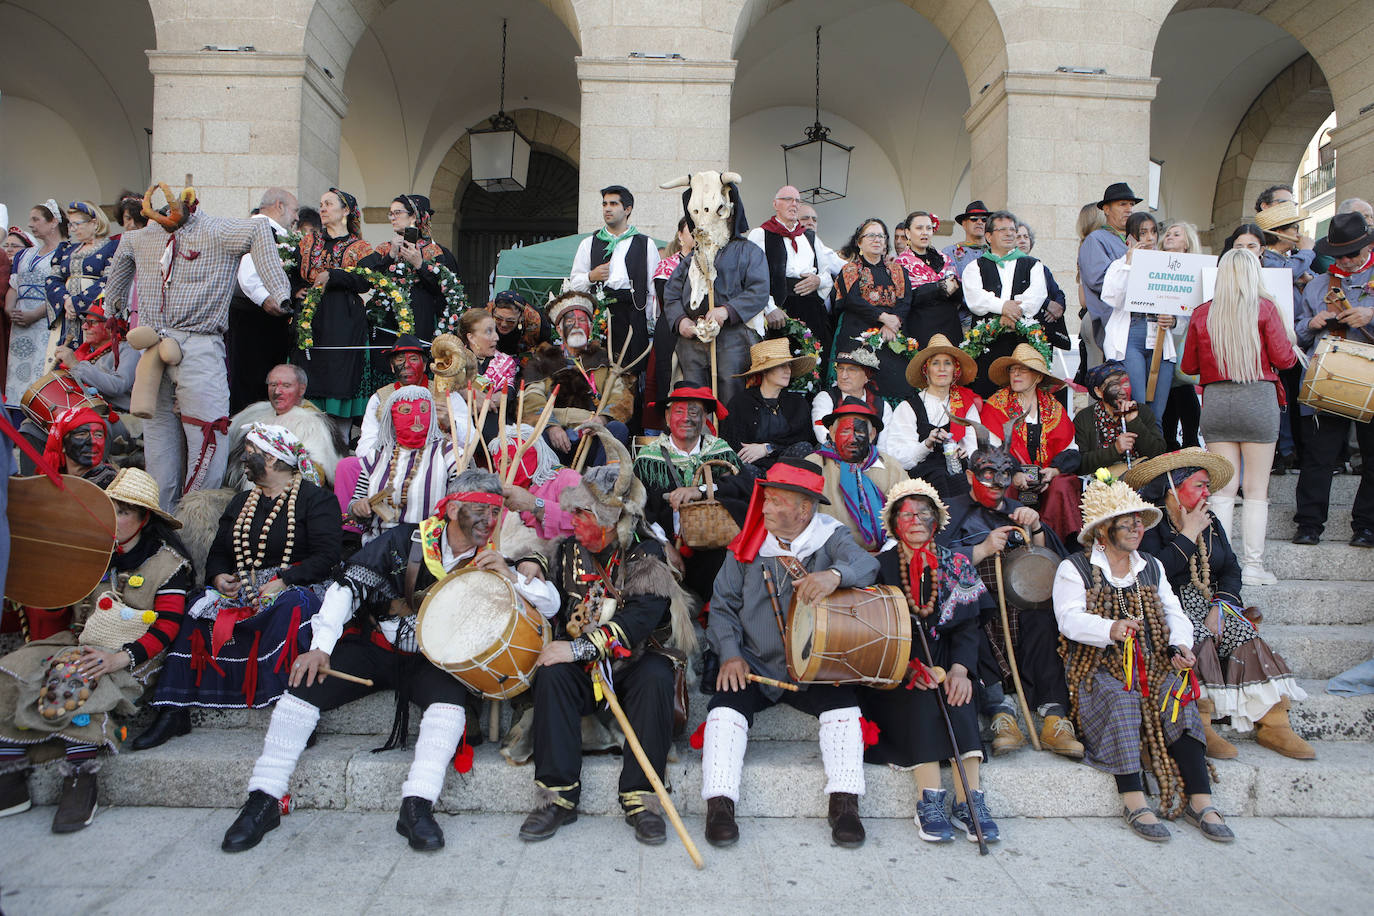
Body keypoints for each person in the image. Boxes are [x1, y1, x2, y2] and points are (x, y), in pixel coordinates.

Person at [222, 469, 556, 852]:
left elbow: (551, 604)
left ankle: (417, 805)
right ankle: (264, 797)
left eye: (495, 511)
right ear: (450, 509)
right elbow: (345, 589)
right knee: (302, 686)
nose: (490, 521)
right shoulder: (403, 539)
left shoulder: (494, 555)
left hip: (434, 662)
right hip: (375, 646)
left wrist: (512, 578)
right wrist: (321, 647)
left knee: (450, 708)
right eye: (480, 510)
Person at [0, 468, 194, 833]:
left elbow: (168, 628)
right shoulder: (92, 551)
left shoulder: (168, 565)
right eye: (110, 509)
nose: (114, 519)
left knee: (77, 678)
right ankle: (9, 779)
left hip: (135, 656)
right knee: (12, 669)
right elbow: (64, 605)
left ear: (144, 517)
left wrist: (118, 659)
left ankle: (80, 779)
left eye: (123, 512)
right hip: (80, 643)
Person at [519, 437, 691, 845]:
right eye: (574, 511)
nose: (574, 520)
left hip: (631, 665)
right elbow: (549, 555)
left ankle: (642, 798)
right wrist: (532, 562)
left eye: (583, 514)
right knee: (553, 675)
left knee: (656, 676)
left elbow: (633, 625)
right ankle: (556, 797)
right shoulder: (572, 546)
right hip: (584, 671)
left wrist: (575, 647)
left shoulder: (648, 557)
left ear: (614, 520)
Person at [701, 456, 878, 848]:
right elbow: (723, 606)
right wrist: (730, 653)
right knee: (724, 710)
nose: (763, 507)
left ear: (804, 510)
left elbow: (866, 565)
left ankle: (845, 805)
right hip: (753, 663)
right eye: (765, 499)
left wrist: (835, 575)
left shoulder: (831, 538)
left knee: (844, 709)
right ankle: (719, 804)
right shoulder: (747, 545)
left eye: (776, 501)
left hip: (814, 666)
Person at [1052, 472, 1235, 843]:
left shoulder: (1151, 564)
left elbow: (1175, 613)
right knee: (1121, 697)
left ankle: (1200, 800)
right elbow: (1069, 619)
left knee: (1179, 699)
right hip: (1097, 665)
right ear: (1104, 531)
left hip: (1152, 659)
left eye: (1139, 521)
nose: (1138, 527)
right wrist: (1110, 629)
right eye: (1128, 522)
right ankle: (1133, 798)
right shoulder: (1075, 567)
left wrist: (1180, 646)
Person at [134, 424, 343, 748]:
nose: (245, 459)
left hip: (296, 584)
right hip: (242, 587)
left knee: (292, 607)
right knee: (193, 609)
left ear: (273, 459)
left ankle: (292, 710)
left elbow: (327, 557)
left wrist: (283, 580)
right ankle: (173, 709)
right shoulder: (241, 502)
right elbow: (219, 552)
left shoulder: (316, 501)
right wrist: (218, 576)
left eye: (252, 453)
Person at [103, 182, 293, 510]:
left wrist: (279, 290)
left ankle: (196, 515)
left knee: (206, 434)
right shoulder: (140, 236)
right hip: (152, 345)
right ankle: (161, 516)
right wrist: (112, 304)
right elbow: (121, 264)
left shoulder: (217, 230)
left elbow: (258, 228)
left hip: (199, 343)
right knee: (158, 434)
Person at [1125, 449, 1313, 759]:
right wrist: (1187, 533)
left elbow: (1232, 570)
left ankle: (1274, 723)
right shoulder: (1148, 521)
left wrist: (1221, 607)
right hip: (1167, 603)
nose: (1207, 492)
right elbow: (1150, 571)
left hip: (1210, 601)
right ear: (1174, 487)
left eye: (1208, 486)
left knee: (1245, 634)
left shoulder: (1209, 520)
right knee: (1195, 636)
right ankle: (1201, 721)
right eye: (1199, 485)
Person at [859, 478, 998, 843]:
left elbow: (968, 628)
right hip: (897, 667)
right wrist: (905, 668)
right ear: (893, 524)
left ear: (936, 520)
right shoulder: (879, 569)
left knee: (959, 695)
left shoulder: (955, 562)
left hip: (948, 659)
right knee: (920, 695)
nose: (916, 520)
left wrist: (959, 670)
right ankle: (930, 799)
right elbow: (871, 631)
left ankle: (970, 800)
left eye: (924, 512)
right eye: (906, 514)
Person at [938, 442, 1083, 758]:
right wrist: (980, 550)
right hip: (976, 605)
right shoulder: (948, 514)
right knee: (970, 620)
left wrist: (1036, 527)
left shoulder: (1016, 510)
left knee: (1045, 617)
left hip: (1021, 606)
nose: (998, 483)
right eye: (988, 474)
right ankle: (999, 710)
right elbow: (934, 561)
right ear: (970, 475)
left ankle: (1054, 714)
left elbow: (1046, 569)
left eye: (1005, 475)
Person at [1181, 249, 1296, 585]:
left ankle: (1216, 564)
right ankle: (1253, 567)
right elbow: (1285, 360)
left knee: (1222, 490)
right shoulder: (1265, 309)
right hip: (1258, 398)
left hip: (1217, 401)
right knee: (1256, 489)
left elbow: (1188, 367)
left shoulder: (1203, 314)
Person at [1292, 213, 1374, 548]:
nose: (1346, 261)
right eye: (1339, 255)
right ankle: (1309, 524)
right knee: (1319, 456)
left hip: (1371, 380)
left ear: (1368, 246)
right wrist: (1312, 324)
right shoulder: (1317, 285)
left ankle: (1366, 526)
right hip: (1330, 379)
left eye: (1352, 253)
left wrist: (1371, 315)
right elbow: (1296, 334)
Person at [633, 381, 750, 602]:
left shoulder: (720, 450)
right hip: (666, 543)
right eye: (679, 411)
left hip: (712, 540)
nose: (687, 418)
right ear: (667, 418)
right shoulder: (648, 458)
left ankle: (716, 617)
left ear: (704, 417)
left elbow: (744, 487)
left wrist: (702, 490)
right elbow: (638, 508)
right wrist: (664, 545)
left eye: (694, 412)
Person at [662, 181, 769, 407]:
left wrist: (726, 311)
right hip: (692, 339)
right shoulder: (692, 258)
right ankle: (699, 442)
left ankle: (729, 442)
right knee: (693, 398)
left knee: (731, 395)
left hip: (733, 338)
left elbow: (759, 290)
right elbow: (671, 294)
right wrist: (681, 322)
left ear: (730, 215)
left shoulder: (749, 252)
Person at [289, 187, 377, 430]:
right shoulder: (307, 243)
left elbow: (366, 280)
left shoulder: (360, 247)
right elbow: (292, 273)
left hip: (344, 323)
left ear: (346, 210)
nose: (323, 208)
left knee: (340, 379)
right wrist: (295, 289)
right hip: (311, 322)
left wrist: (334, 276)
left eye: (329, 204)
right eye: (321, 204)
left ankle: (339, 442)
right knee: (308, 374)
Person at [979, 344, 1081, 540]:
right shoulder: (996, 405)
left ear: (1038, 376)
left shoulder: (1054, 407)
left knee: (1063, 485)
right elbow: (991, 449)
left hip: (1046, 479)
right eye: (1012, 369)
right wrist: (1015, 472)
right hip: (1010, 475)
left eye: (1022, 369)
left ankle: (1054, 546)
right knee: (1001, 483)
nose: (1015, 374)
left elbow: (1072, 450)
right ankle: (1009, 544)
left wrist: (1054, 471)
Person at [522, 291, 633, 466]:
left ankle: (597, 484)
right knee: (533, 433)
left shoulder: (605, 360)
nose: (576, 325)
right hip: (555, 434)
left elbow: (620, 397)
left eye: (582, 320)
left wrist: (602, 420)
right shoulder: (542, 360)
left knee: (617, 429)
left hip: (591, 435)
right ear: (559, 329)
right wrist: (551, 426)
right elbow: (531, 398)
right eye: (569, 321)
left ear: (590, 326)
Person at [962, 210, 1055, 398]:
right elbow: (975, 299)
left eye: (1012, 229)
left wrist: (1015, 311)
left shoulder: (1033, 264)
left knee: (1021, 395)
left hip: (1022, 343)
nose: (1009, 233)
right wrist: (1002, 307)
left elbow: (1036, 295)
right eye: (1002, 229)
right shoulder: (975, 266)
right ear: (988, 236)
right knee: (987, 393)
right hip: (987, 345)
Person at [349, 385, 457, 544]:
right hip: (379, 546)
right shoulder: (377, 455)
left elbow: (462, 506)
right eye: (406, 411)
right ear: (392, 418)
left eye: (423, 410)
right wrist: (358, 507)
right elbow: (355, 501)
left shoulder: (449, 454)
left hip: (430, 548)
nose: (417, 419)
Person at [1099, 213, 1177, 428]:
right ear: (1130, 238)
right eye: (1143, 233)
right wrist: (1130, 264)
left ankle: (1157, 461)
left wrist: (1173, 320)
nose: (1150, 238)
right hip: (1130, 335)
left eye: (1153, 232)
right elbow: (1112, 298)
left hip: (1160, 335)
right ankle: (1139, 458)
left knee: (1158, 410)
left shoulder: (1167, 265)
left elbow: (1183, 304)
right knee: (1137, 406)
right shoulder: (1118, 265)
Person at [747, 186, 838, 372]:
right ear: (775, 204)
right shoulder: (761, 234)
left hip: (811, 309)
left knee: (815, 365)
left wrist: (818, 281)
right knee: (782, 365)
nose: (794, 204)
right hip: (780, 310)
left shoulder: (810, 237)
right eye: (788, 199)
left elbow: (827, 273)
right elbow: (752, 276)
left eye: (797, 200)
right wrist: (770, 308)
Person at [1255, 200, 1317, 474]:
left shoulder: (1291, 263)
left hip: (1297, 338)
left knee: (1294, 397)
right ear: (1282, 232)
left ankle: (1296, 448)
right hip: (1277, 340)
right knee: (1283, 397)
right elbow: (1285, 273)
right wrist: (1307, 251)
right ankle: (1285, 449)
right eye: (1295, 228)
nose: (1299, 232)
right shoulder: (1269, 260)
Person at [570, 185, 659, 365]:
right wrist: (591, 276)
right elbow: (574, 284)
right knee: (600, 368)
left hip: (634, 315)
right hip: (602, 315)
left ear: (627, 209)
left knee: (632, 372)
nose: (607, 208)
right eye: (604, 204)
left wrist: (647, 320)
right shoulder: (589, 243)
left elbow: (653, 288)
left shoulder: (645, 244)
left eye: (613, 204)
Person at [227, 188, 298, 413]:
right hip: (255, 318)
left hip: (261, 318)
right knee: (253, 381)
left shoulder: (271, 231)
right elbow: (248, 273)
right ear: (279, 206)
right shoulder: (259, 229)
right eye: (294, 211)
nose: (297, 217)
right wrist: (266, 299)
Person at [886, 335, 981, 495]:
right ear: (926, 370)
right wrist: (927, 444)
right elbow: (898, 456)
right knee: (940, 478)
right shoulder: (908, 407)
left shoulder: (966, 404)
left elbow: (974, 447)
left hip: (959, 472)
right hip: (922, 477)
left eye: (947, 363)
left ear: (954, 370)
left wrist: (965, 454)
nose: (942, 369)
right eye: (935, 363)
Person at [832, 218, 912, 404]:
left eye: (881, 236)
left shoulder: (898, 270)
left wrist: (893, 323)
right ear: (859, 242)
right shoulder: (850, 269)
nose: (877, 239)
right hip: (857, 331)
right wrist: (883, 318)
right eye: (871, 235)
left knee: (895, 382)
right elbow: (853, 300)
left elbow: (906, 299)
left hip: (892, 335)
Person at [227, 364, 345, 489]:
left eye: (286, 386)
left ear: (302, 390)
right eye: (273, 385)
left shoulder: (313, 425)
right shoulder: (256, 413)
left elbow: (316, 474)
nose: (277, 392)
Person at [814, 397, 907, 552]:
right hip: (826, 554)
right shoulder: (813, 465)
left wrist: (885, 555)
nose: (852, 439)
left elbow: (907, 515)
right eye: (845, 431)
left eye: (859, 432)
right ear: (832, 432)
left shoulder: (891, 468)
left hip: (882, 555)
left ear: (872, 435)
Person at [372, 194, 460, 343]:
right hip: (386, 316)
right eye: (391, 213)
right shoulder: (385, 248)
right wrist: (390, 255)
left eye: (397, 213)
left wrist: (419, 264)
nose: (393, 218)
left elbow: (443, 289)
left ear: (413, 217)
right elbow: (370, 277)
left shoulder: (434, 250)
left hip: (420, 315)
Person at [720, 338, 815, 474]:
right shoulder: (741, 403)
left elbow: (804, 438)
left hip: (788, 469)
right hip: (754, 469)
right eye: (782, 366)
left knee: (804, 448)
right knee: (744, 469)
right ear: (765, 371)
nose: (788, 370)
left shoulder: (797, 403)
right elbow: (735, 445)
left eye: (789, 365)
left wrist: (768, 448)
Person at [45, 202, 119, 359]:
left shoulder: (112, 248)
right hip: (66, 317)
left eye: (76, 224)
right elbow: (52, 280)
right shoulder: (66, 250)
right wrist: (66, 301)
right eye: (70, 225)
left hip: (94, 316)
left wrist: (78, 302)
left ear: (94, 223)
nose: (72, 229)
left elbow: (110, 279)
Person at [1078, 182, 1141, 356]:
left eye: (1131, 205)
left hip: (1138, 324)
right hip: (1111, 323)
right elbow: (1099, 280)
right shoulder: (1096, 239)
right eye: (1122, 204)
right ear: (1106, 209)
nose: (1129, 209)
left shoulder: (1136, 240)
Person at [1073, 360, 1167, 476]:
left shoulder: (1142, 412)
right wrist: (1115, 450)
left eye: (1126, 384)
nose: (1123, 391)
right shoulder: (1084, 418)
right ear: (1098, 392)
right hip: (1102, 486)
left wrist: (1134, 422)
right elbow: (1080, 464)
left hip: (1141, 482)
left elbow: (1159, 455)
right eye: (1115, 386)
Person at [7, 212, 62, 403]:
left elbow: (61, 292)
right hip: (20, 325)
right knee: (17, 375)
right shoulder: (24, 254)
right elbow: (14, 286)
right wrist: (10, 310)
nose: (30, 224)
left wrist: (34, 314)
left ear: (53, 221)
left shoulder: (65, 252)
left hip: (45, 323)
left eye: (36, 219)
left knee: (41, 372)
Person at [646, 219, 696, 428]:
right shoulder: (667, 266)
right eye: (692, 231)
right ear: (680, 236)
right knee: (669, 380)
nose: (697, 235)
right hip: (671, 329)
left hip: (700, 332)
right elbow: (668, 302)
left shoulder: (711, 264)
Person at [1159, 221, 1203, 453]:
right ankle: (1171, 443)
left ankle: (1190, 441)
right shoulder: (1155, 267)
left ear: (1188, 243)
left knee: (1182, 386)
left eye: (1177, 234)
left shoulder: (1196, 271)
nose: (1170, 237)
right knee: (1167, 392)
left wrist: (1177, 322)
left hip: (1182, 337)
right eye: (1168, 233)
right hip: (1159, 339)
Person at [52, 301, 137, 414]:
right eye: (84, 322)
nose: (84, 327)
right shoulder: (86, 352)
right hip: (85, 413)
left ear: (110, 326)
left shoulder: (128, 350)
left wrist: (75, 365)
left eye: (91, 322)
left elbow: (117, 386)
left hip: (117, 416)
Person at [896, 211, 962, 347]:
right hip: (921, 326)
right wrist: (940, 287)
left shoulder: (944, 258)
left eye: (928, 228)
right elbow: (905, 299)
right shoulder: (900, 263)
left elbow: (959, 295)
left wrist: (955, 287)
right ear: (908, 233)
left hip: (949, 325)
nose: (924, 232)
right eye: (919, 228)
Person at [810, 349, 893, 451]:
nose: (843, 376)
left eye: (852, 370)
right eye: (840, 369)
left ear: (867, 376)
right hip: (834, 458)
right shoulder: (826, 398)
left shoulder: (883, 407)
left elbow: (883, 448)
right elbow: (823, 434)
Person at [42, 405, 117, 488]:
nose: (93, 441)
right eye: (82, 434)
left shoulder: (114, 484)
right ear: (62, 445)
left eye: (98, 435)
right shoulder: (50, 484)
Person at [461, 307, 518, 396]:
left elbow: (509, 391)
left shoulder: (505, 362)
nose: (496, 337)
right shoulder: (455, 360)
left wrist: (495, 399)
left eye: (495, 330)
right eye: (488, 331)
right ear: (471, 338)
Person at [489, 290, 553, 364]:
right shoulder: (483, 316)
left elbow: (546, 350)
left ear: (521, 317)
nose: (504, 324)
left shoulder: (538, 323)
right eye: (498, 318)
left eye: (510, 321)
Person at [941, 200, 991, 281]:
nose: (979, 222)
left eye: (984, 220)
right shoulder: (949, 252)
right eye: (974, 219)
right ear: (964, 224)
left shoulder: (995, 252)